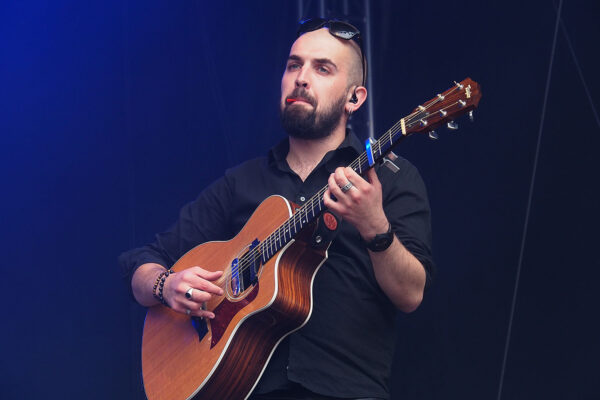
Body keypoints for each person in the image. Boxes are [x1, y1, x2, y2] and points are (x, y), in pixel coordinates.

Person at [120, 18, 433, 400]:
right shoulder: (242, 182)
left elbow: (411, 294)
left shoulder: (389, 179)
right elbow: (141, 262)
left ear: (355, 98)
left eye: (322, 68)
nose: (301, 78)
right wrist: (164, 284)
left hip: (344, 389)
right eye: (293, 65)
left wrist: (375, 226)